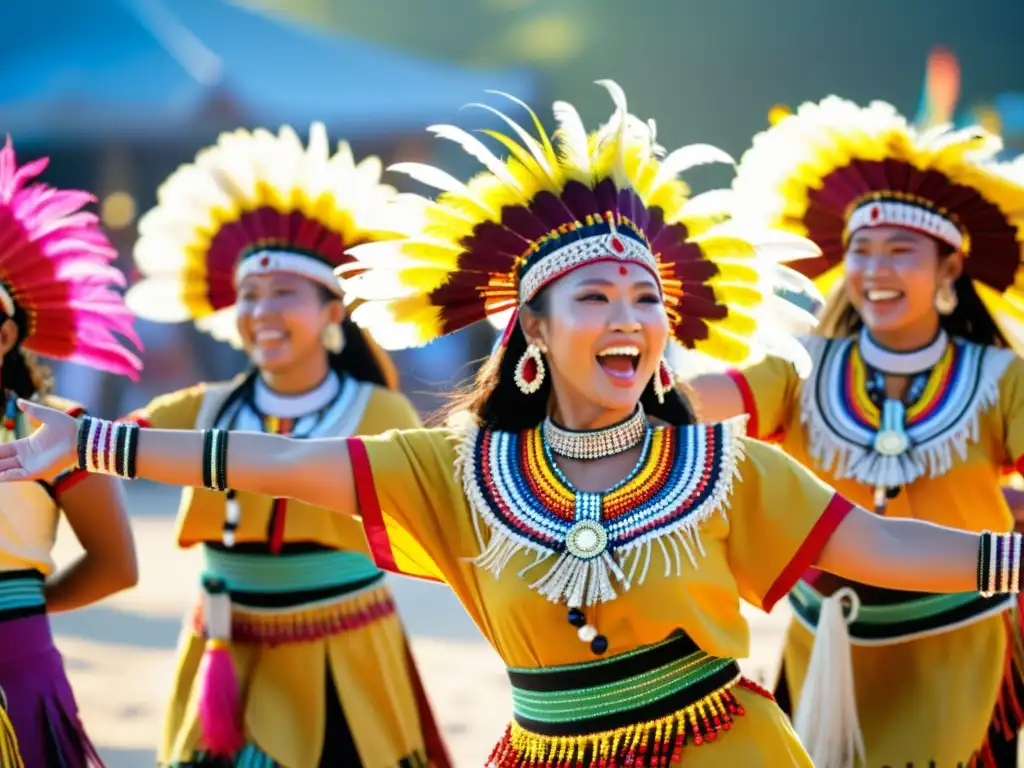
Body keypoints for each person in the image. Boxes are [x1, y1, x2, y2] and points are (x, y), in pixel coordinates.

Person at [1, 83, 1022, 768]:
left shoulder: (722, 464)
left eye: (644, 301)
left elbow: (880, 543)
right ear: (531, 329)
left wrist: (1012, 560)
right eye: (595, 299)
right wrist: (92, 442)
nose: (628, 318)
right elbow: (276, 460)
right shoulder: (457, 469)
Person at [681, 96, 1024, 767]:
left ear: (950, 268)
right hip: (825, 644)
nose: (875, 271)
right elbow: (697, 402)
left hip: (957, 649)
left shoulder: (1002, 378)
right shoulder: (803, 368)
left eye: (901, 251)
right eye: (861, 251)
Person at [119, 123, 450, 767]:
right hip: (225, 647)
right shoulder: (200, 408)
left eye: (284, 293)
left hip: (345, 651)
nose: (263, 311)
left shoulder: (379, 411)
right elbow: (104, 445)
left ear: (333, 310)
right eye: (249, 295)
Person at [0, 138, 141, 767]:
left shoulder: (60, 432)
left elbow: (116, 566)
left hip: (19, 673)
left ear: (6, 333)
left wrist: (23, 608)